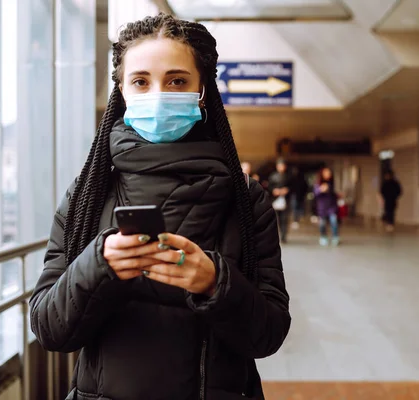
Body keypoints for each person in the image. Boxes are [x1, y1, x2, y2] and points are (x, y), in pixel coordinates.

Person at [29, 14, 290, 400]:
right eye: (140, 81)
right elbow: (50, 329)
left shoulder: (245, 199)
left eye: (177, 80)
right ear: (121, 90)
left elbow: (267, 335)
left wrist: (214, 283)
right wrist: (99, 266)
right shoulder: (89, 193)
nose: (157, 94)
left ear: (203, 90)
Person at [314, 167, 339, 246]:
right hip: (322, 207)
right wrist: (321, 189)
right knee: (322, 223)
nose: (328, 174)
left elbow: (333, 194)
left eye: (329, 173)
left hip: (332, 206)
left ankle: (335, 237)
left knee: (333, 221)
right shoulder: (318, 183)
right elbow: (315, 193)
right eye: (326, 173)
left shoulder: (332, 183)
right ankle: (323, 236)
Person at [268, 159, 290, 243]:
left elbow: (293, 187)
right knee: (274, 219)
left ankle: (284, 236)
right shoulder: (273, 176)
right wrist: (274, 191)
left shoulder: (288, 176)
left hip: (285, 200)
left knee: (284, 219)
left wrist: (287, 190)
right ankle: (275, 236)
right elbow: (269, 187)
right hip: (275, 200)